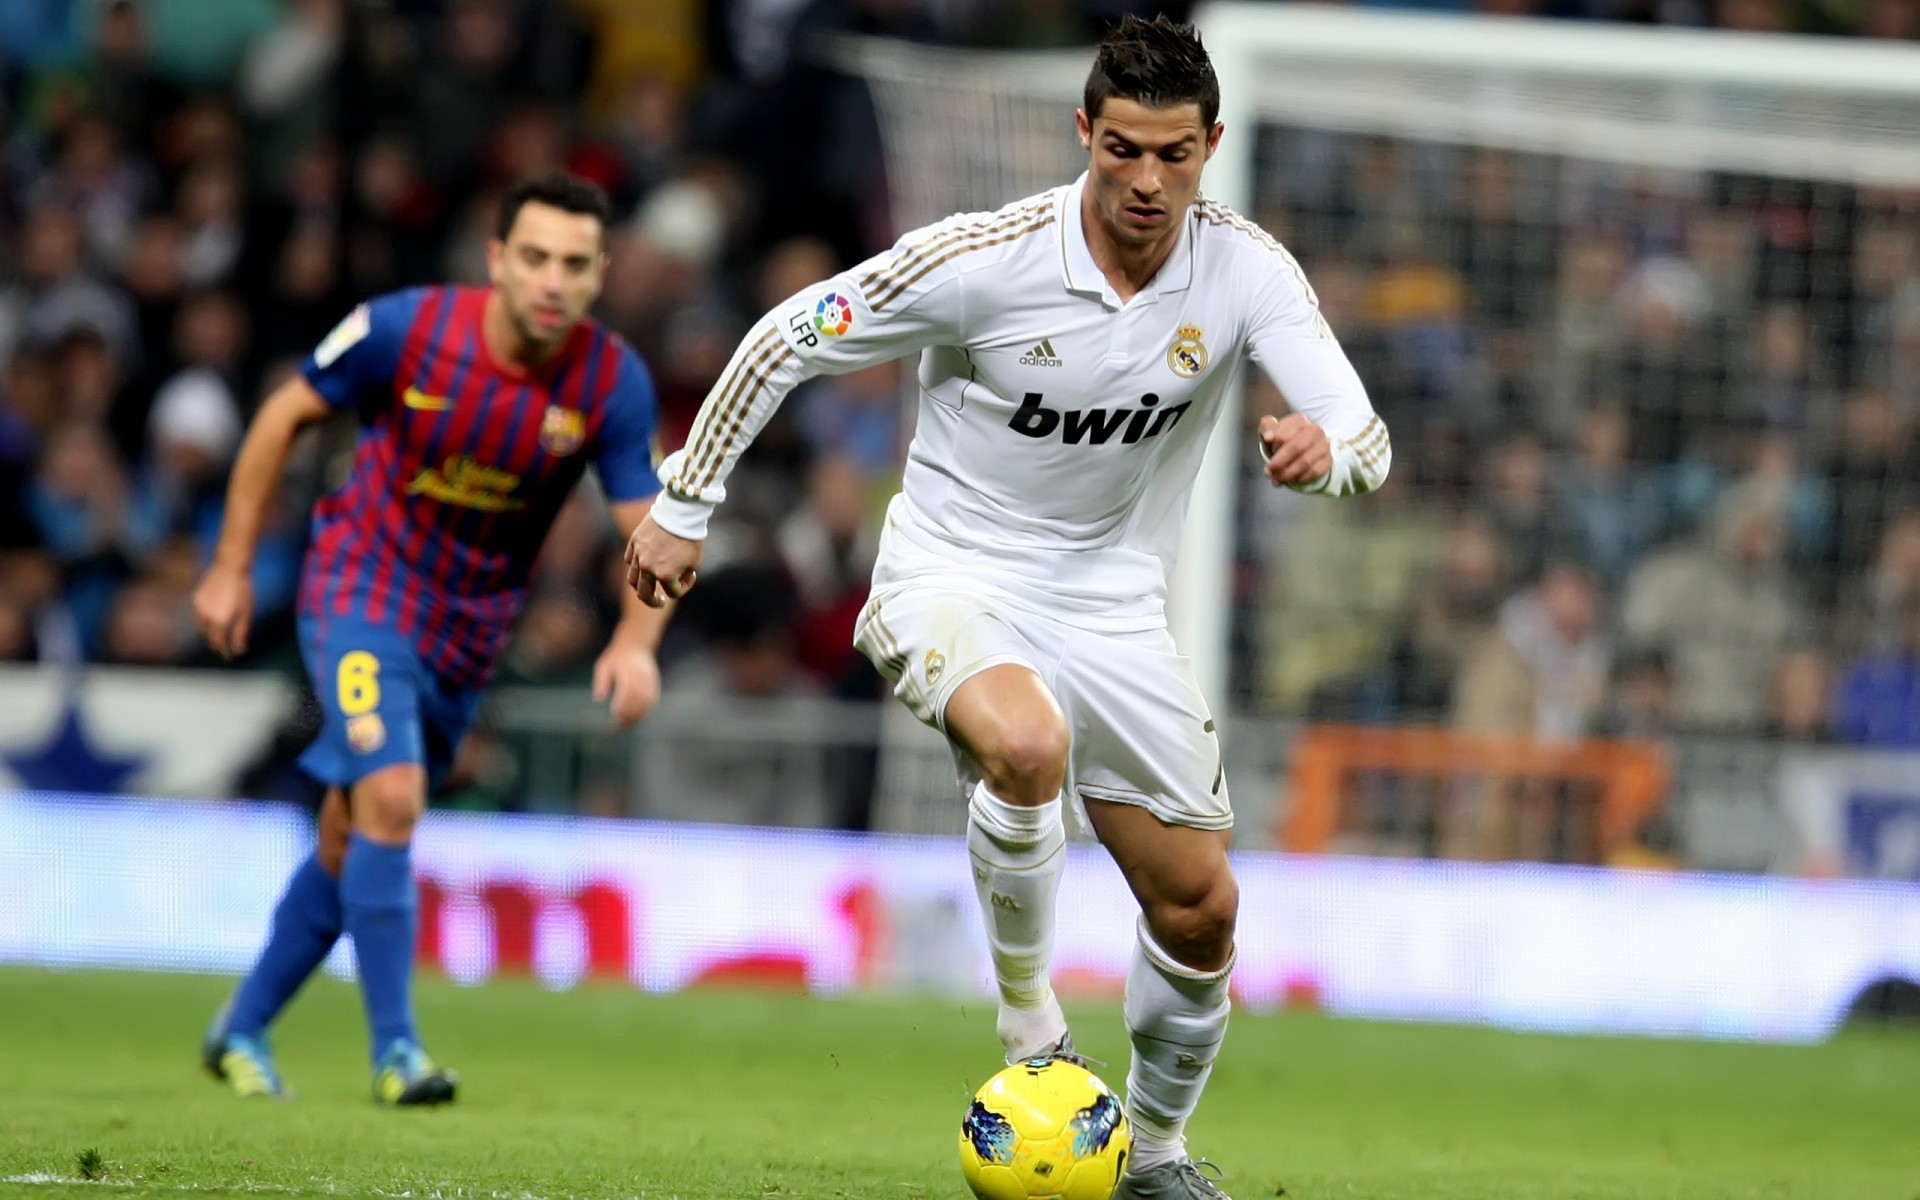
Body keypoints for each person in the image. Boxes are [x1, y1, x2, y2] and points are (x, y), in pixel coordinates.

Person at [623, 18, 1389, 1199]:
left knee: (1200, 908)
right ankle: (1032, 1027)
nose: (1147, 180)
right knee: (1027, 745)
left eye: (1174, 155)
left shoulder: (1246, 271)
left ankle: (1158, 1157)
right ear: (1085, 132)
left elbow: (1366, 435)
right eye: (1123, 149)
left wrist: (1320, 451)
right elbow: (787, 337)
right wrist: (686, 500)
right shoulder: (985, 259)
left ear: (1211, 145)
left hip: (1115, 608)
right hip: (951, 577)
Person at [192, 173, 670, 1105]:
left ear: (600, 275)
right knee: (396, 794)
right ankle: (396, 1054)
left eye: (575, 265)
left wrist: (637, 641)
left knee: (351, 829)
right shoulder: (402, 329)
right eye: (533, 258)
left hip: (470, 630)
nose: (552, 281)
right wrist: (229, 565)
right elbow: (284, 414)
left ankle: (241, 1024)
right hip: (360, 588)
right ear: (496, 259)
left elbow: (649, 526)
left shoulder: (611, 381)